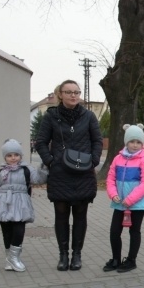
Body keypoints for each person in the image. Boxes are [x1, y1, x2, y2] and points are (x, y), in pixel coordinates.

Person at [35, 80, 103, 271]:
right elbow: (41, 142)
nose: (73, 95)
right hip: (60, 173)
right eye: (69, 92)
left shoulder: (88, 116)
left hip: (83, 172)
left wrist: (94, 160)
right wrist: (50, 161)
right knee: (61, 214)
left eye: (76, 92)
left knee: (80, 214)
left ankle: (77, 255)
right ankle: (63, 255)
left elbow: (97, 140)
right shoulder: (51, 116)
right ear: (60, 94)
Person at [0, 139, 48, 272]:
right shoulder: (0, 172)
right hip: (2, 205)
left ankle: (14, 257)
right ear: (5, 157)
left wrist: (44, 167)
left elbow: (39, 179)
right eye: (9, 155)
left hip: (20, 205)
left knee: (19, 230)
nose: (13, 158)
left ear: (20, 155)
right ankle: (9, 259)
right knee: (7, 232)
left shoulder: (27, 170)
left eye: (16, 155)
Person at [103, 124, 144, 273]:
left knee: (134, 231)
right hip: (119, 203)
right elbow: (110, 178)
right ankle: (116, 259)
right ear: (126, 142)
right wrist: (113, 194)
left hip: (137, 204)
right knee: (114, 231)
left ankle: (131, 260)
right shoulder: (118, 159)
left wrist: (131, 199)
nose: (135, 145)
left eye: (138, 142)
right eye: (132, 141)